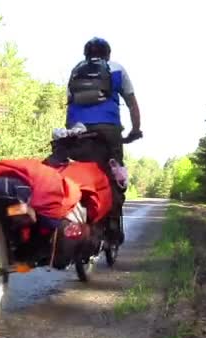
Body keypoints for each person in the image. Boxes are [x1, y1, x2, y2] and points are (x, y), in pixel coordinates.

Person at [65, 37, 142, 244]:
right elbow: (132, 104)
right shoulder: (116, 69)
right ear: (108, 54)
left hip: (77, 129)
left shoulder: (76, 70)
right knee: (114, 174)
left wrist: (71, 132)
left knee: (73, 172)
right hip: (108, 130)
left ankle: (69, 214)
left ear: (86, 55)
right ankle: (113, 224)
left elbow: (69, 103)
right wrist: (135, 130)